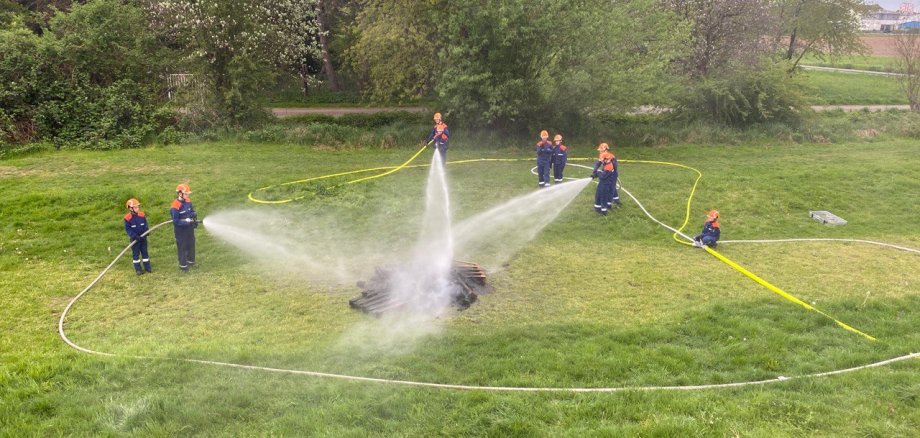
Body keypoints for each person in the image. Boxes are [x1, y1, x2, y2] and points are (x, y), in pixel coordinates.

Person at [171, 183, 198, 272]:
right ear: (180, 194)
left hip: (189, 229)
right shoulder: (175, 205)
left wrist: (194, 218)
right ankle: (183, 266)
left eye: (188, 193)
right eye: (186, 193)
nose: (187, 195)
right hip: (180, 231)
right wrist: (186, 221)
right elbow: (176, 221)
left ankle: (191, 261)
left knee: (191, 244)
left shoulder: (188, 201)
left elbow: (191, 211)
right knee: (182, 247)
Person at [124, 198, 152, 275]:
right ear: (130, 208)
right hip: (135, 240)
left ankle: (147, 267)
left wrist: (146, 232)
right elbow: (128, 229)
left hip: (143, 238)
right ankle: (138, 269)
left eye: (138, 207)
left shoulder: (142, 215)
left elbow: (145, 224)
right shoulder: (127, 218)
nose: (137, 208)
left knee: (145, 253)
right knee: (136, 255)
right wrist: (135, 236)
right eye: (135, 207)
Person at [592, 149, 616, 215]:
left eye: (602, 159)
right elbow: (602, 173)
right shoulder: (606, 164)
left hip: (606, 184)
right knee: (598, 195)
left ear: (606, 159)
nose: (601, 161)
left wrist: (597, 173)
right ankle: (597, 208)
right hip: (602, 183)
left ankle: (604, 211)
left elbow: (603, 176)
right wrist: (595, 174)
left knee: (603, 197)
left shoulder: (609, 166)